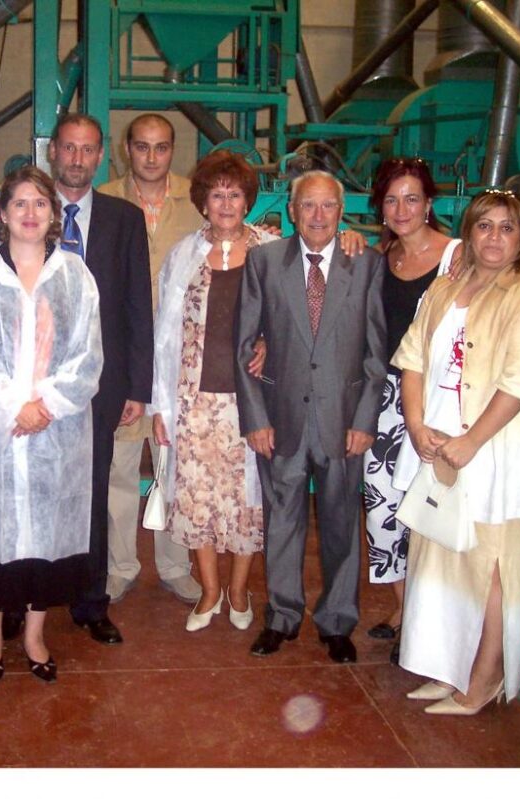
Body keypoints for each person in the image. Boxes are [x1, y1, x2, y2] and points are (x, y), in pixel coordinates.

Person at [393, 189, 520, 714]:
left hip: (497, 452)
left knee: (492, 570)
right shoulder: (447, 287)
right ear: (468, 233)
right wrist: (416, 423)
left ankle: (484, 680)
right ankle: (451, 671)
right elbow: (413, 358)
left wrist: (471, 441)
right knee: (445, 564)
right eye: (484, 225)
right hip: (442, 447)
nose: (494, 237)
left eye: (507, 228)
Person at [0, 166, 102, 687]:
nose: (30, 213)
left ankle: (35, 637)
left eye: (40, 203)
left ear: (54, 214)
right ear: (3, 213)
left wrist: (46, 405)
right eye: (20, 203)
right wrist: (15, 407)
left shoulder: (75, 276)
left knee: (45, 546)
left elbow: (87, 357)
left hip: (57, 432)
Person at [235, 170, 387, 663]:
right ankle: (282, 616)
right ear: (292, 210)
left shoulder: (366, 264)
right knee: (282, 521)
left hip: (344, 422)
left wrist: (365, 420)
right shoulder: (263, 262)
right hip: (281, 419)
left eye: (328, 206)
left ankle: (337, 621)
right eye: (307, 205)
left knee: (342, 523)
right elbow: (244, 345)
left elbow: (375, 352)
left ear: (341, 212)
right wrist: (255, 418)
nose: (318, 216)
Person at [150, 151, 277, 632]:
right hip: (194, 402)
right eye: (217, 194)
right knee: (198, 496)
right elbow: (165, 335)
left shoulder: (271, 250)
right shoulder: (183, 254)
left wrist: (270, 342)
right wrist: (161, 404)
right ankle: (208, 592)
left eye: (235, 194)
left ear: (248, 201)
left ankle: (239, 591)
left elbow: (293, 318)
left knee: (248, 501)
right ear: (203, 202)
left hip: (253, 400)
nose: (226, 203)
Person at [47, 113, 154, 646]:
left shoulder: (124, 218)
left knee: (92, 493)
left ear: (101, 155)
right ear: (52, 152)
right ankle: (27, 596)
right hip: (34, 383)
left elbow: (137, 304)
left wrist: (138, 387)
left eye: (88, 150)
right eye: (69, 148)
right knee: (34, 490)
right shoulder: (31, 209)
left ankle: (91, 602)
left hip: (101, 385)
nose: (77, 159)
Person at [98, 113, 203, 606]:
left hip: (181, 359)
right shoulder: (104, 201)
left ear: (172, 151)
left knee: (174, 465)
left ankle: (175, 565)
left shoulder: (197, 202)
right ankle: (120, 566)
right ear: (127, 149)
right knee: (120, 467)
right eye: (142, 147)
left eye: (161, 147)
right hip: (121, 355)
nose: (151, 157)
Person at [360, 157, 462, 663]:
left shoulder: (457, 257)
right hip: (384, 401)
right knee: (383, 510)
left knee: (429, 508)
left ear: (429, 203)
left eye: (412, 199)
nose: (401, 209)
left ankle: (432, 618)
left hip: (439, 400)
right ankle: (405, 607)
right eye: (391, 200)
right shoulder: (380, 257)